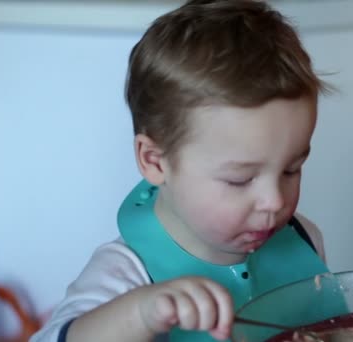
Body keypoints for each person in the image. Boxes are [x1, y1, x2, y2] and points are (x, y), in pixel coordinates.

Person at [30, 0, 333, 341]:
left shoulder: (305, 239)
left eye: (292, 170)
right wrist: (141, 313)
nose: (275, 201)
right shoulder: (127, 272)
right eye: (240, 179)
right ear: (155, 161)